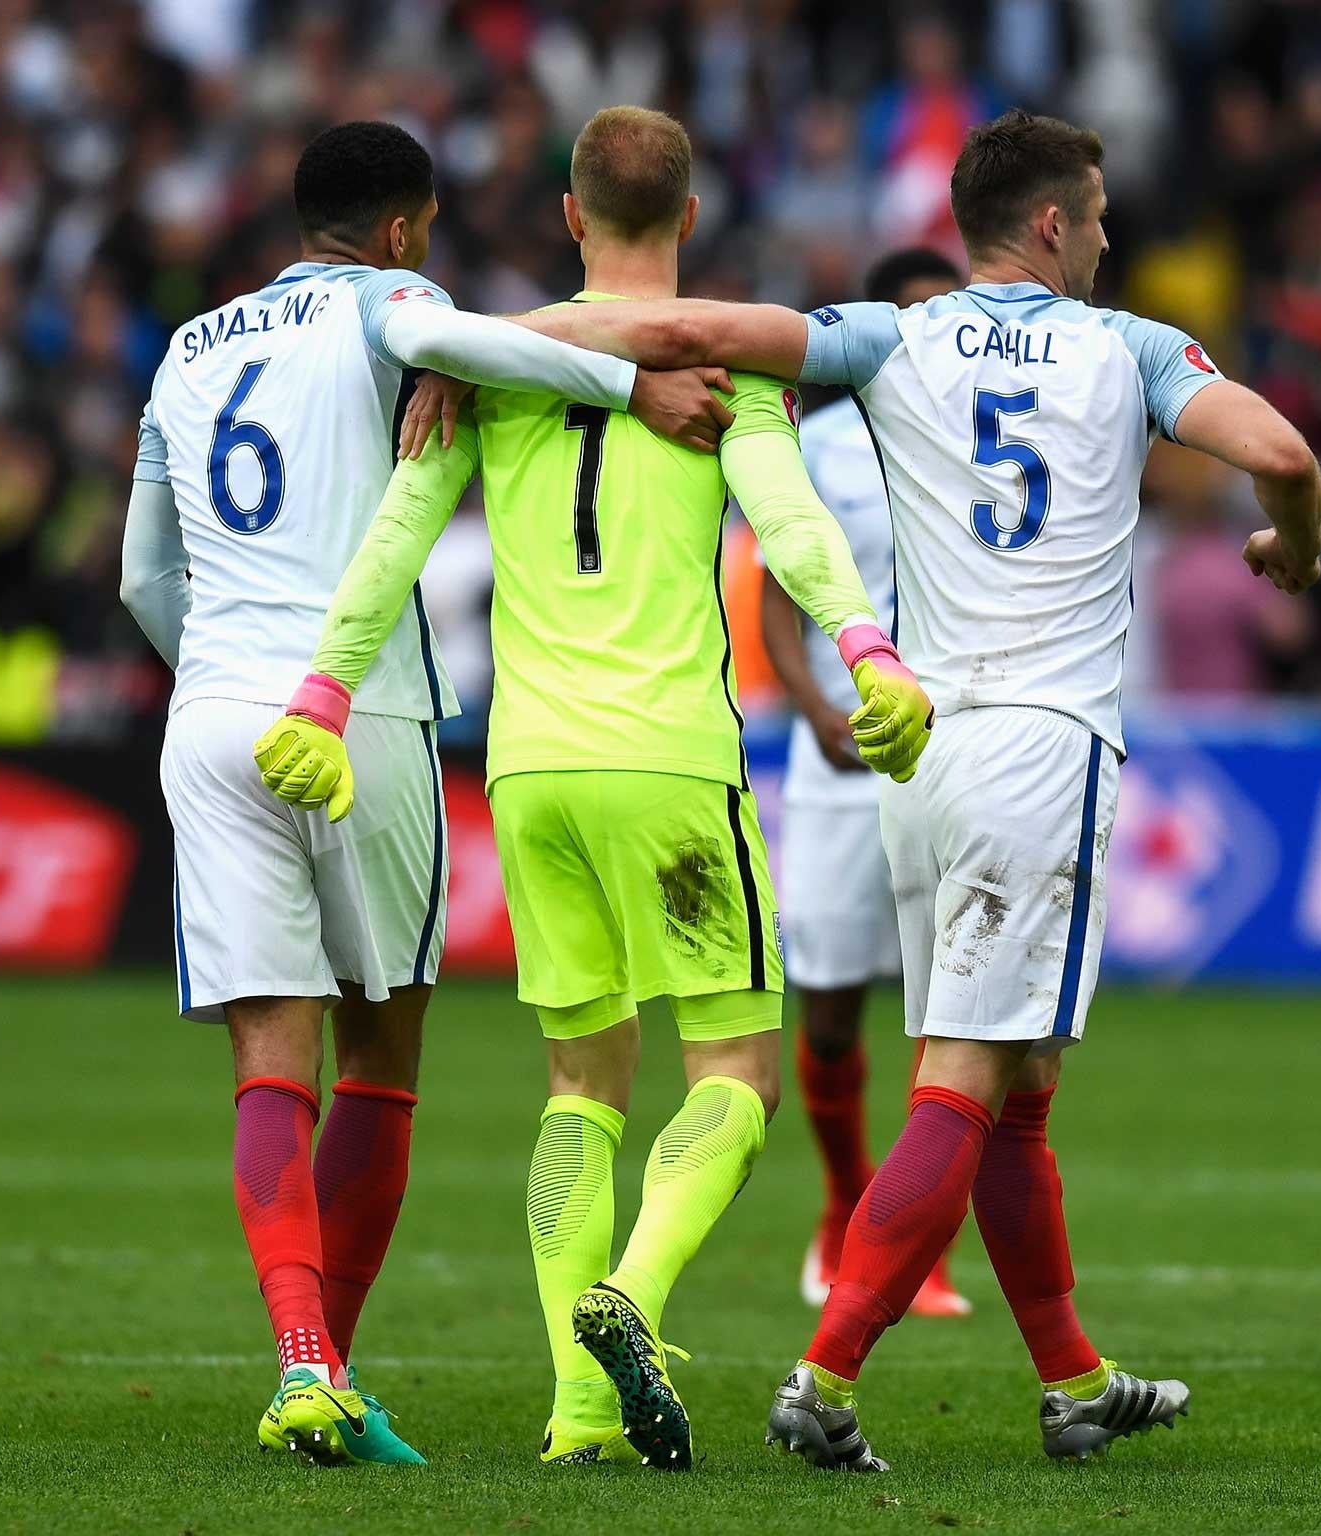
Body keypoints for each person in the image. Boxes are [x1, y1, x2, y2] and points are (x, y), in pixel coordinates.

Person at [483, 108, 1321, 1470]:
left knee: (1014, 1078)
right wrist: (1293, 540)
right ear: (1051, 224)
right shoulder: (1134, 349)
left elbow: (691, 336)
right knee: (966, 1076)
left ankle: (1070, 1376)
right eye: (1099, 216)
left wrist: (485, 345)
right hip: (1042, 749)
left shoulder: (897, 334)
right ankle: (824, 1377)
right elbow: (1282, 452)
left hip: (919, 750)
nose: (1109, 239)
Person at [252, 106, 933, 1472]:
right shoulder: (720, 365)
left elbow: (396, 529)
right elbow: (789, 524)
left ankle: (576, 1411)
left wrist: (322, 691)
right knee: (737, 1073)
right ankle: (636, 1292)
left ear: (569, 216)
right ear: (688, 220)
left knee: (580, 1085)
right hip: (671, 758)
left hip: (532, 767)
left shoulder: (488, 364)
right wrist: (868, 649)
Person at [117, 119, 731, 1467]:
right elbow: (486, 347)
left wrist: (219, 674)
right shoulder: (397, 302)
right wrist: (640, 390)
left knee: (266, 1061)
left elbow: (138, 580)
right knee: (380, 1067)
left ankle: (305, 1371)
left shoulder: (185, 347)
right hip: (359, 713)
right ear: (403, 229)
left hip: (213, 711)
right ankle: (331, 1362)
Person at [760, 245, 972, 1323]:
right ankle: (842, 1209)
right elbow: (771, 599)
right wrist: (808, 708)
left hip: (962, 753)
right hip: (842, 754)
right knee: (833, 1007)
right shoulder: (820, 443)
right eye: (915, 318)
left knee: (952, 1016)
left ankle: (906, 1249)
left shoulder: (993, 435)